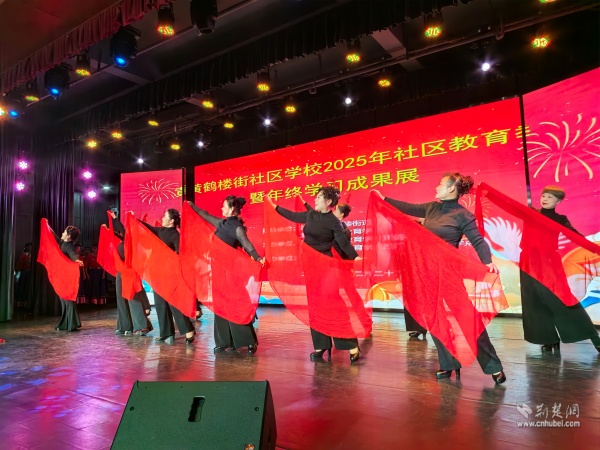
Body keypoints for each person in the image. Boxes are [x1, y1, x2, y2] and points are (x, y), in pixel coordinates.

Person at [374, 173, 506, 384]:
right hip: (426, 273)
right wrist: (384, 199)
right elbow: (407, 207)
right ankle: (448, 364)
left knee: (468, 318)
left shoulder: (462, 215)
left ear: (452, 188)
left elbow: (478, 240)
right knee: (435, 320)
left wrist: (487, 261)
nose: (436, 187)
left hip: (448, 273)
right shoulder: (431, 208)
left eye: (440, 184)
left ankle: (493, 365)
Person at [267, 186, 363, 362]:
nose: (315, 199)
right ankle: (321, 345)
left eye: (319, 197)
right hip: (311, 267)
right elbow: (292, 216)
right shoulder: (311, 215)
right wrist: (274, 206)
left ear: (328, 201)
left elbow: (343, 243)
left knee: (333, 305)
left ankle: (351, 345)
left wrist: (356, 257)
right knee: (315, 304)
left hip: (327, 268)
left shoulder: (334, 221)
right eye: (316, 197)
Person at [520, 185, 600, 353]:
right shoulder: (530, 213)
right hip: (528, 263)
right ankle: (549, 340)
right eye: (544, 195)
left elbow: (574, 235)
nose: (545, 199)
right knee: (535, 303)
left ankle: (594, 338)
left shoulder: (560, 219)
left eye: (550, 197)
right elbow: (507, 205)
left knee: (562, 300)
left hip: (548, 263)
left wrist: (595, 248)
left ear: (558, 201)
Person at [189, 196, 265, 355]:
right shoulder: (222, 223)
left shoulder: (237, 228)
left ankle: (248, 340)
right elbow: (205, 214)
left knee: (234, 304)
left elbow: (247, 244)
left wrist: (258, 258)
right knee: (220, 305)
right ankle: (224, 341)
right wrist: (192, 206)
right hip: (218, 270)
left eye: (224, 206)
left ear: (231, 209)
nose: (221, 208)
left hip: (230, 271)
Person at [140, 209, 195, 344]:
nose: (162, 218)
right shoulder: (160, 231)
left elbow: (181, 254)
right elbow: (148, 228)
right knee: (160, 304)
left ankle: (188, 330)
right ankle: (166, 333)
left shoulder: (175, 235)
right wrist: (135, 220)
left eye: (165, 216)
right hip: (158, 273)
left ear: (172, 221)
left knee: (174, 303)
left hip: (169, 274)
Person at [108, 211, 153, 336]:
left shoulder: (134, 239)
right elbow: (120, 233)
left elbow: (122, 230)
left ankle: (143, 326)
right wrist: (110, 229)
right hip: (120, 271)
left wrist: (115, 218)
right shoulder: (126, 239)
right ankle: (125, 326)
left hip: (130, 272)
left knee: (132, 298)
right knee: (121, 300)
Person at [55, 226, 84, 331]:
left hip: (66, 276)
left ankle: (72, 323)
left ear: (68, 236)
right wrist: (47, 226)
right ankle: (66, 324)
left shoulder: (68, 245)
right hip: (62, 274)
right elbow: (56, 237)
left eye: (64, 232)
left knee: (67, 299)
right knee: (64, 299)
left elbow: (73, 254)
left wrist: (77, 260)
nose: (62, 233)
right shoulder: (63, 242)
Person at [14, 243, 32, 310]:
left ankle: (24, 304)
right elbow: (18, 266)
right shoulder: (23, 256)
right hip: (23, 273)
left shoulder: (30, 256)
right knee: (22, 288)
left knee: (26, 289)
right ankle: (19, 304)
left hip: (28, 274)